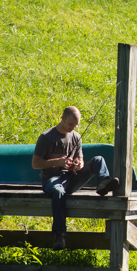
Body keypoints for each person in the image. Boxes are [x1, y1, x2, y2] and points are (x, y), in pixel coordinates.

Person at [33, 106, 119, 250]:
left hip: (71, 178)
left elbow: (81, 159)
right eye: (70, 124)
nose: (73, 128)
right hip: (52, 179)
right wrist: (58, 162)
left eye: (76, 125)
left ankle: (103, 183)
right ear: (62, 118)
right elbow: (35, 163)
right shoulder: (46, 137)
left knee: (98, 160)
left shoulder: (76, 137)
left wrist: (78, 164)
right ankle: (59, 235)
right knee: (58, 191)